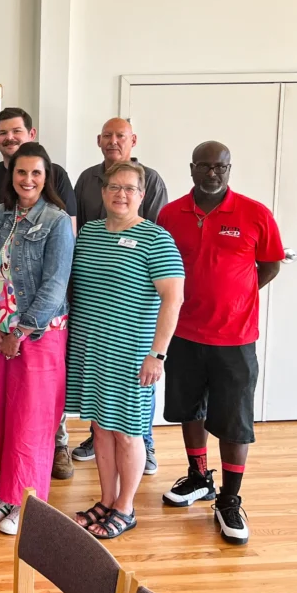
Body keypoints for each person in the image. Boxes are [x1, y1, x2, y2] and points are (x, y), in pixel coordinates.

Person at [157, 141, 283, 546]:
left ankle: (229, 499)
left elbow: (270, 264)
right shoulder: (170, 214)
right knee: (188, 409)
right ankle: (199, 477)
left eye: (221, 167)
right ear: (192, 168)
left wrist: (239, 294)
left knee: (234, 420)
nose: (214, 173)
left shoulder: (255, 213)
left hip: (235, 338)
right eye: (206, 167)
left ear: (230, 169)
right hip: (184, 333)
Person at [67, 162, 185, 540]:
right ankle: (105, 500)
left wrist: (158, 355)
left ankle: (126, 507)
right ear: (102, 192)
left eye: (129, 189)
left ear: (142, 195)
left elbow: (173, 300)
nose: (121, 194)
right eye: (114, 187)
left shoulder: (156, 239)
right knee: (100, 428)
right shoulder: (88, 233)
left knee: (128, 433)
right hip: (91, 350)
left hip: (133, 356)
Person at [0, 108, 78, 480]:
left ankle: (25, 500)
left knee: (30, 420)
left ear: (46, 178)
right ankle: (3, 494)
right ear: (10, 175)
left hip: (37, 336)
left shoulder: (57, 220)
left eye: (35, 173)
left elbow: (55, 285)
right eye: (21, 172)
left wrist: (21, 332)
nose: (27, 179)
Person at [71, 117, 168, 474]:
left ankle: (145, 442)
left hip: (133, 309)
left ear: (133, 140)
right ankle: (100, 436)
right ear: (99, 140)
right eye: (108, 136)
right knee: (101, 405)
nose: (114, 141)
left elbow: (152, 232)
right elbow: (77, 229)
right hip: (96, 305)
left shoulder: (152, 180)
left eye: (120, 136)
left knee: (135, 395)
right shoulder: (85, 179)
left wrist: (158, 352)